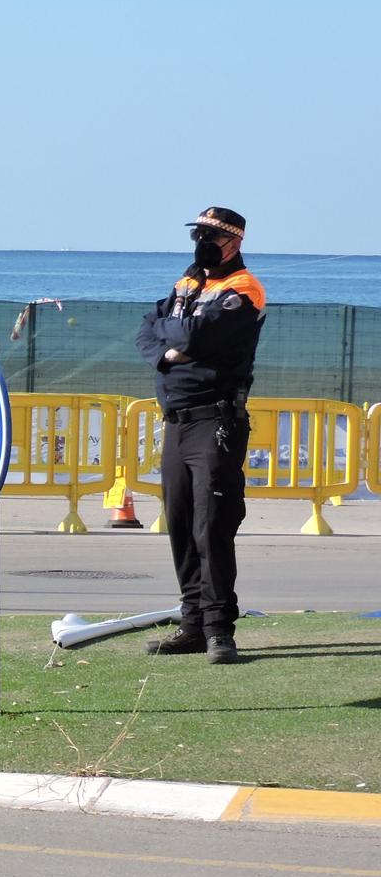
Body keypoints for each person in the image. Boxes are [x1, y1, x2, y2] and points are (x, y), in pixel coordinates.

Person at [134, 207, 266, 665]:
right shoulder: (188, 283)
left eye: (210, 234)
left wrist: (179, 340)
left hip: (217, 422)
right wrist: (170, 353)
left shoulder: (242, 290)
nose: (201, 240)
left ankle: (218, 629)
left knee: (213, 526)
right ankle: (191, 621)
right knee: (180, 522)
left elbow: (199, 335)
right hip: (177, 422)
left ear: (234, 241)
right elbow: (148, 330)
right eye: (198, 233)